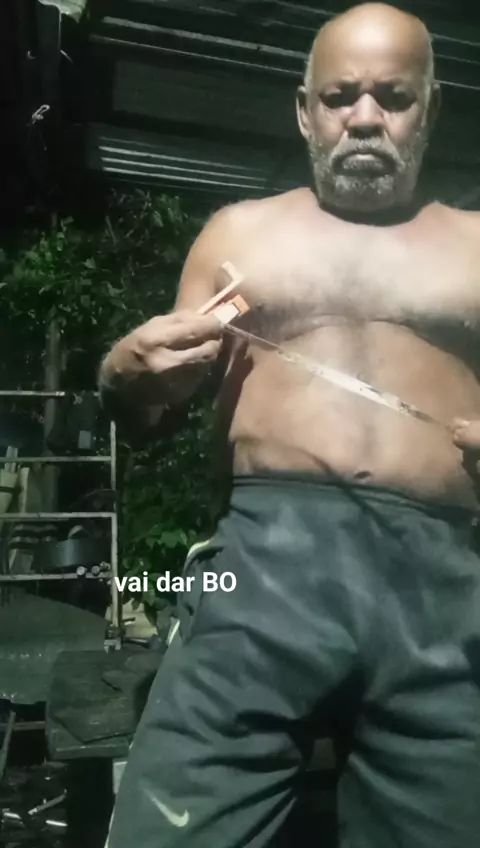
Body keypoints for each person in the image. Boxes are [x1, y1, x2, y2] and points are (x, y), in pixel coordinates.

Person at [99, 3, 480, 847]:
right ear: (305, 111)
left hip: (446, 590)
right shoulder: (238, 234)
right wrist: (126, 374)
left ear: (431, 108)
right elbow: (150, 417)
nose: (365, 117)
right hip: (260, 571)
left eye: (394, 96)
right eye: (340, 96)